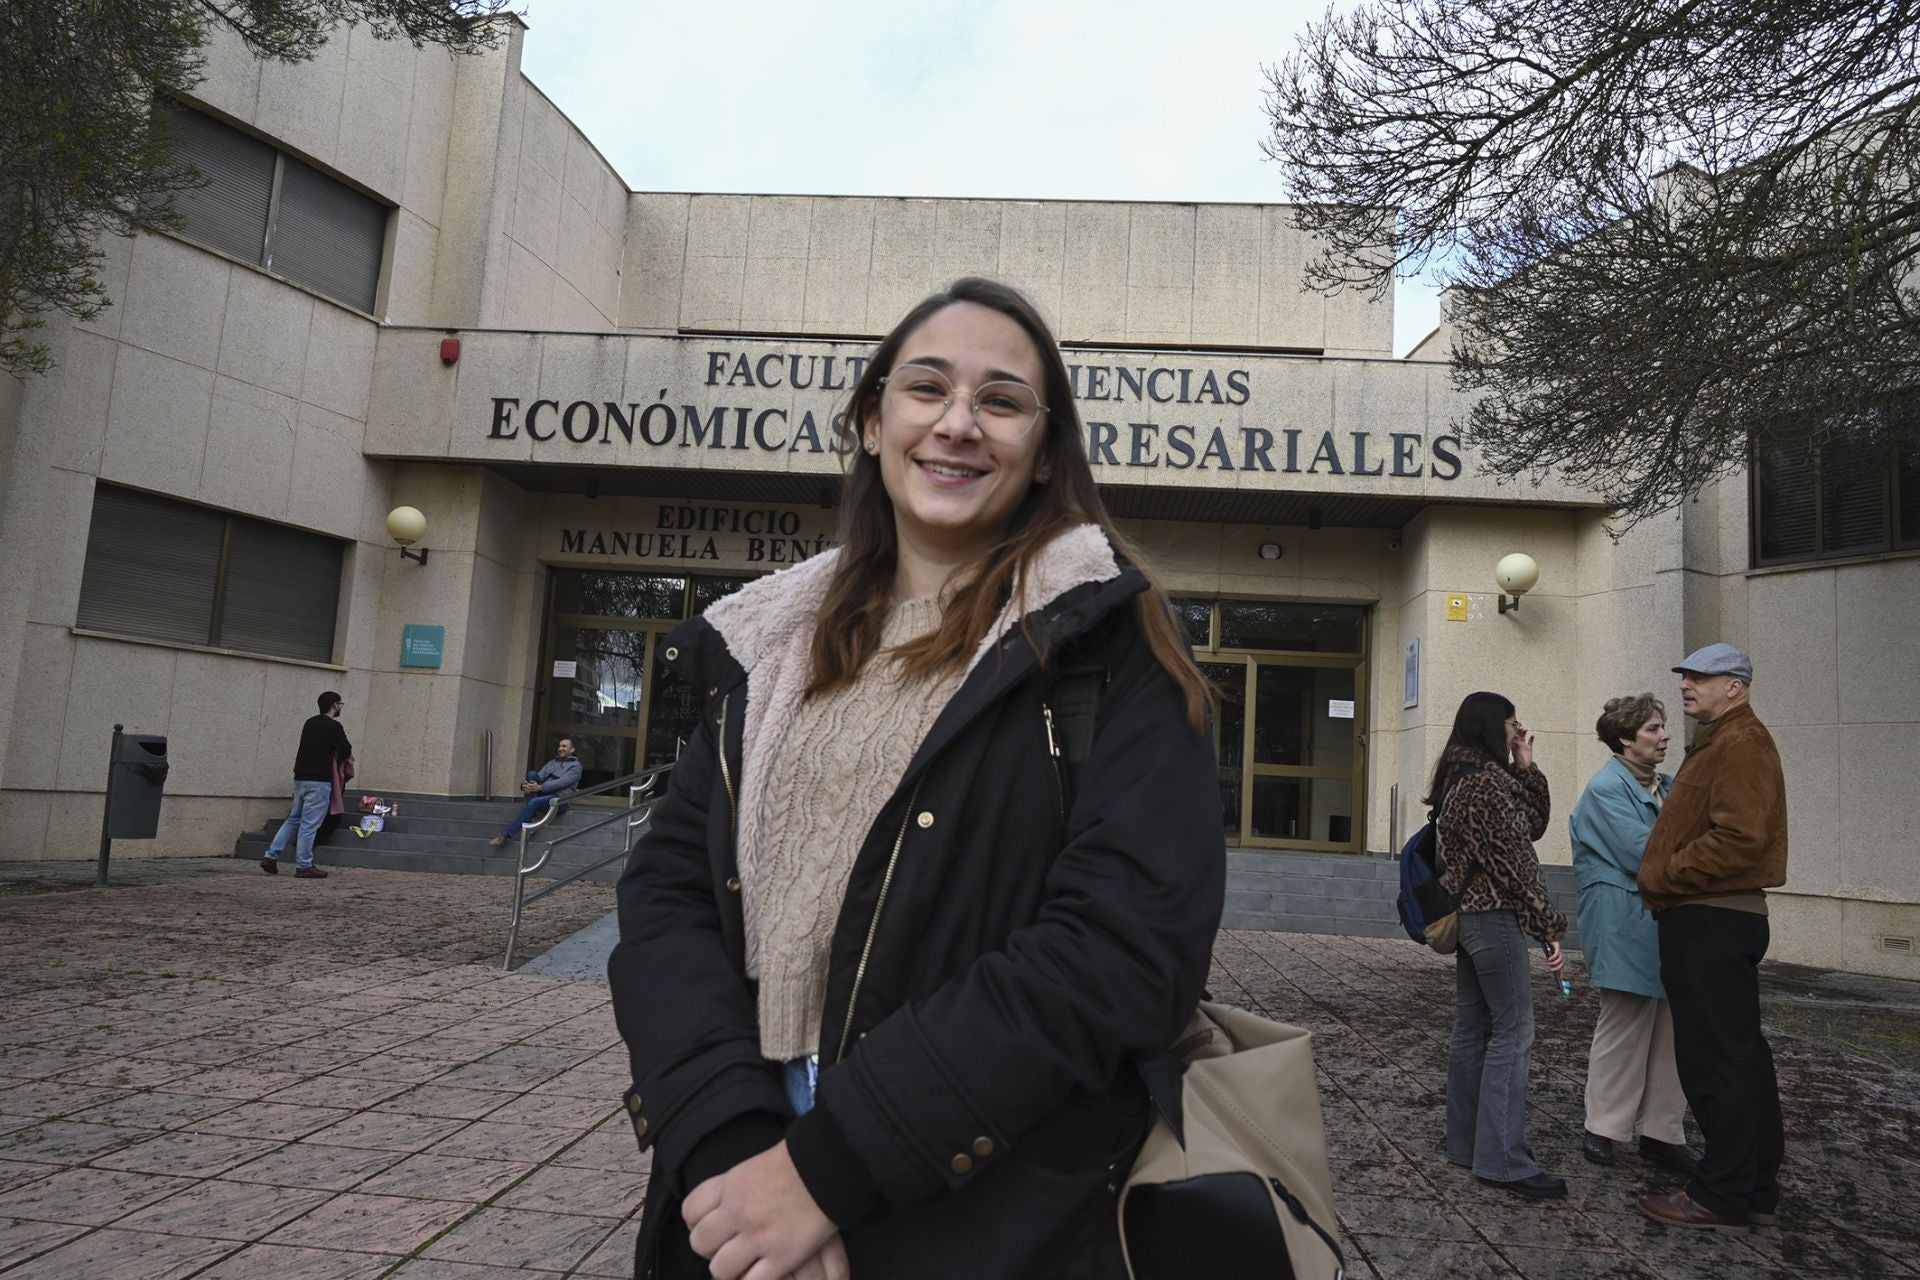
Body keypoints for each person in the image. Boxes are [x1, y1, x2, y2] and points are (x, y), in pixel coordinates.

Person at [606, 277, 1223, 1280]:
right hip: (735, 1202)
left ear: (1043, 452)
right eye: (927, 387)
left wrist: (827, 1170)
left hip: (996, 1216)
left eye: (1003, 399)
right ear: (870, 418)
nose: (958, 423)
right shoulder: (764, 648)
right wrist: (730, 1154)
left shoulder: (1119, 649)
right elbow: (667, 899)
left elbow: (1124, 950)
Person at [1637, 643, 1788, 1232]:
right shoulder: (1725, 740)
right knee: (1740, 1057)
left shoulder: (1740, 742)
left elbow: (1741, 837)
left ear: (1736, 687)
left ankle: (1720, 1195)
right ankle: (1752, 1190)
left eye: (1701, 677)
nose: (1686, 685)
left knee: (1715, 1062)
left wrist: (1666, 873)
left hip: (1711, 918)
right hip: (1715, 918)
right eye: (1685, 676)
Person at [1431, 691, 1569, 1201]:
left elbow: (1530, 825)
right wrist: (1547, 925)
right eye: (1513, 725)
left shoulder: (1460, 777)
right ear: (1493, 727)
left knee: (1473, 1030)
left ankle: (1466, 1146)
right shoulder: (1486, 785)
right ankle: (1503, 1160)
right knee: (1514, 1032)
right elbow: (1515, 864)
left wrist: (1527, 769)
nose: (1519, 731)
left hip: (1470, 917)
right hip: (1493, 919)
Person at [1568, 695, 1694, 1175]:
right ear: (1625, 738)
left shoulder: (1664, 785)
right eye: (1654, 729)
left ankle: (1663, 1133)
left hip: (1661, 918)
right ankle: (1604, 1127)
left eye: (1663, 728)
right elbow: (1645, 851)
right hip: (1624, 919)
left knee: (1672, 1027)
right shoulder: (1606, 787)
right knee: (1624, 1021)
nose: (1665, 736)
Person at [260, 690, 351, 879]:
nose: (341, 707)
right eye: (340, 704)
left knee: (294, 819)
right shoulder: (334, 727)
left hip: (301, 777)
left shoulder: (309, 723)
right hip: (320, 781)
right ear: (334, 705)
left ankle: (270, 856)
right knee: (309, 824)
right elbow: (345, 749)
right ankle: (304, 865)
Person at [487, 738, 582, 846]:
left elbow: (562, 783)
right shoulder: (552, 763)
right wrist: (524, 786)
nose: (560, 748)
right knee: (532, 774)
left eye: (564, 746)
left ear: (572, 749)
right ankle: (535, 815)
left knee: (534, 802)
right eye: (559, 746)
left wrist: (540, 788)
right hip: (544, 796)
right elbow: (540, 776)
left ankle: (506, 835)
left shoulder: (576, 767)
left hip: (560, 800)